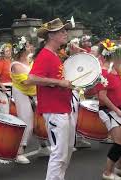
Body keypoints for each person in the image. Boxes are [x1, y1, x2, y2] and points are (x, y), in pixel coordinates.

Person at [27, 18, 75, 180]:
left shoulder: (54, 54)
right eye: (62, 31)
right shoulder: (45, 55)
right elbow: (32, 78)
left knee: (66, 151)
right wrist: (59, 82)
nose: (65, 33)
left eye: (65, 30)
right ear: (51, 35)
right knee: (59, 153)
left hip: (63, 108)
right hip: (54, 110)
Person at [10, 36, 51, 164]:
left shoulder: (30, 60)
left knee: (40, 119)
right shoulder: (16, 65)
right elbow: (28, 81)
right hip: (22, 93)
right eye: (28, 46)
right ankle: (19, 152)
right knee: (26, 121)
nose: (31, 47)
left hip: (34, 93)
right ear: (22, 49)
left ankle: (43, 146)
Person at [96, 43, 121, 180]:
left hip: (117, 109)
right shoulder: (103, 72)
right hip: (109, 111)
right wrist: (117, 110)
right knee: (119, 143)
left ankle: (118, 168)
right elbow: (102, 96)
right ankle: (107, 172)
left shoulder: (114, 70)